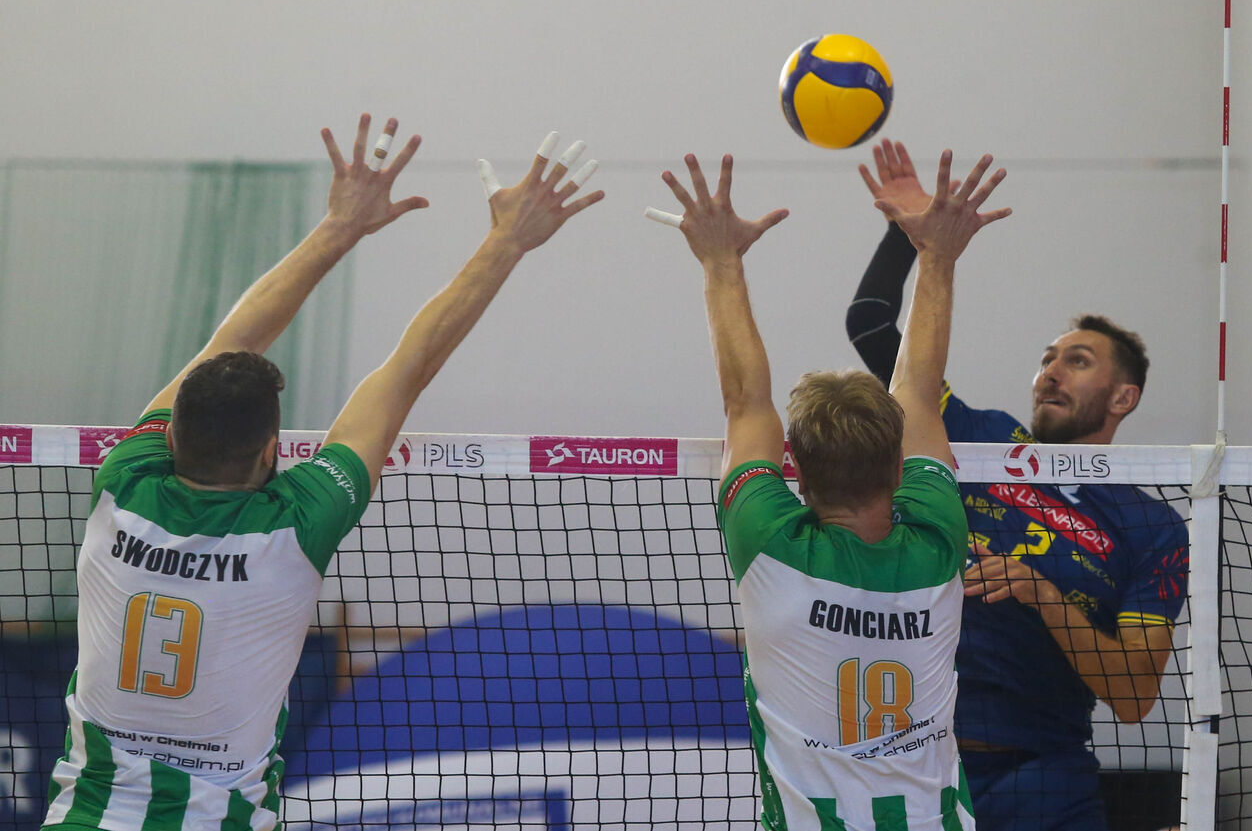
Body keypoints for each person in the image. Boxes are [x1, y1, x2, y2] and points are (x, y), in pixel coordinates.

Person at [39, 116, 603, 831]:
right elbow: (407, 370)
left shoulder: (124, 482)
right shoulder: (297, 525)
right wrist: (506, 241)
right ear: (273, 452)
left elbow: (232, 340)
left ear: (169, 433)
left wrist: (338, 226)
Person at [648, 148, 1009, 829]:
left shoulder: (770, 545)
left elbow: (744, 402)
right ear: (899, 471)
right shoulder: (937, 542)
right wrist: (938, 257)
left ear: (798, 475)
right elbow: (919, 391)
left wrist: (720, 262)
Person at [846, 139, 1190, 830]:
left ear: (1123, 398)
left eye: (1078, 360)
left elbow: (1132, 697)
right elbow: (871, 325)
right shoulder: (980, 438)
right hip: (917, 763)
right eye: (1047, 358)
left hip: (1044, 777)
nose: (1050, 372)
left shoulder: (1152, 526)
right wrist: (910, 235)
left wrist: (1046, 597)